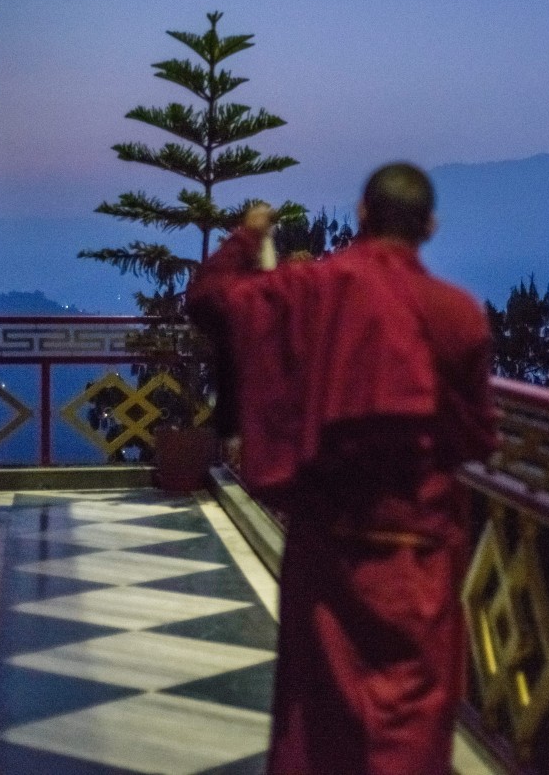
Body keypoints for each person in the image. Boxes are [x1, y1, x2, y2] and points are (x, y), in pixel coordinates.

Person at [185, 162, 496, 774]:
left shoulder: (306, 293)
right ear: (430, 226)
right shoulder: (456, 313)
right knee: (408, 720)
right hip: (417, 558)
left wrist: (247, 238)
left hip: (327, 546)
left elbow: (210, 300)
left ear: (360, 214)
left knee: (320, 711)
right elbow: (475, 437)